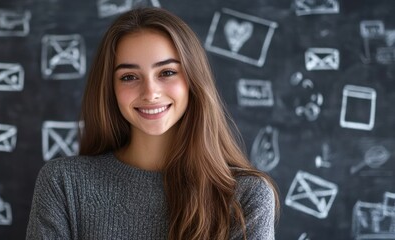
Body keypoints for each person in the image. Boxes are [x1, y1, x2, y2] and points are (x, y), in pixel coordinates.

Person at [26, 7, 279, 240]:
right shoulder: (64, 183)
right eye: (129, 77)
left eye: (167, 72)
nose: (150, 92)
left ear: (193, 80)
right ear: (109, 89)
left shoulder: (246, 196)